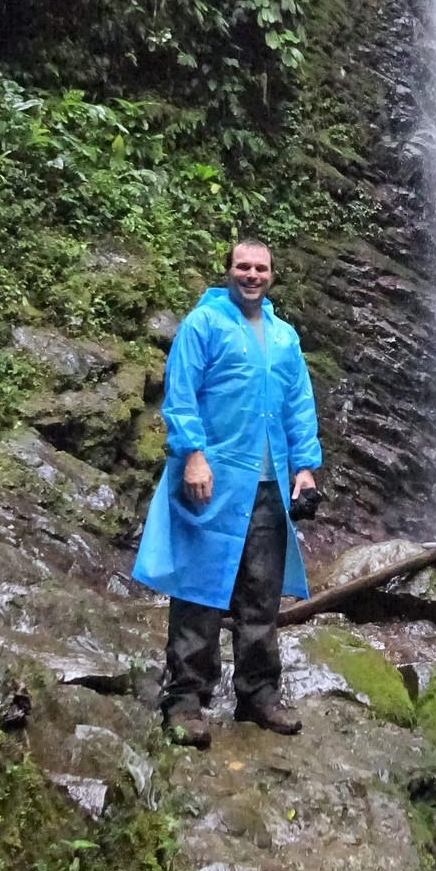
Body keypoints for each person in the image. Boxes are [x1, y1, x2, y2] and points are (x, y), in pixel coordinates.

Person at [132, 238, 321, 748]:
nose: (251, 275)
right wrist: (192, 454)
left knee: (260, 595)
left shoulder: (284, 338)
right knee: (198, 589)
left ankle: (258, 695)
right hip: (211, 481)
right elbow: (181, 392)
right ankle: (186, 700)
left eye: (260, 268)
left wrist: (304, 467)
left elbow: (298, 406)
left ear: (272, 276)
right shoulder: (204, 324)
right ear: (229, 271)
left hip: (267, 485)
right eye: (243, 266)